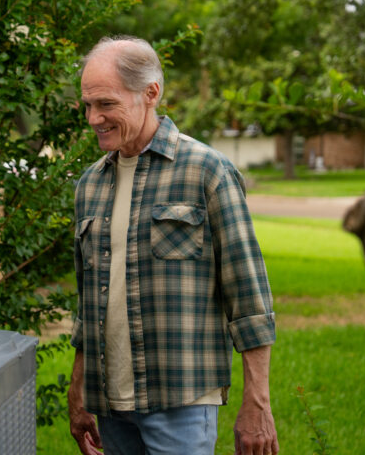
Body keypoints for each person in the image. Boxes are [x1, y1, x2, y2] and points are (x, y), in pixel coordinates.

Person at [67, 36, 278, 455]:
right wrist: (79, 387)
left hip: (181, 400)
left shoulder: (207, 172)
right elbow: (88, 302)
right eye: (88, 105)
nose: (94, 118)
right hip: (109, 403)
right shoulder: (89, 184)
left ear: (151, 93)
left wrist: (258, 402)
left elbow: (249, 298)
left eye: (106, 104)